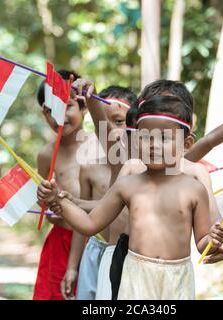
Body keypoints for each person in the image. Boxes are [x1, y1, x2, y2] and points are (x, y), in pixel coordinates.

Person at [38, 95, 223, 299]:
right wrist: (58, 201)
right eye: (146, 137)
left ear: (187, 143)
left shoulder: (194, 189)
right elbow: (89, 223)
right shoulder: (128, 185)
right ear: (136, 140)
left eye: (164, 138)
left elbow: (202, 243)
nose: (154, 145)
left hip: (177, 281)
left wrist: (213, 240)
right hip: (134, 279)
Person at [61, 86, 137, 300]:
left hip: (129, 253)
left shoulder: (141, 167)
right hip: (95, 250)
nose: (113, 129)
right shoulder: (89, 167)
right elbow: (84, 222)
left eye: (119, 121)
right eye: (105, 121)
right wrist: (72, 267)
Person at [33, 70, 94, 300]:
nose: (59, 116)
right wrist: (49, 210)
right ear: (44, 113)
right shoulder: (46, 155)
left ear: (84, 107)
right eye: (51, 110)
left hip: (93, 242)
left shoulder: (99, 148)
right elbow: (44, 202)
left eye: (67, 106)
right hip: (60, 241)